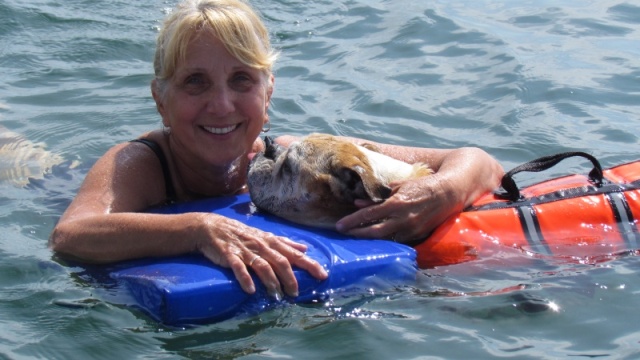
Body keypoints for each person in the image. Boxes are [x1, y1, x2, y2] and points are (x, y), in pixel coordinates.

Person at [49, 0, 504, 299]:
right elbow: (70, 236)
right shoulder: (141, 165)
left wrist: (441, 192)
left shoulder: (293, 157)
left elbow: (481, 163)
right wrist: (197, 228)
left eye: (242, 80)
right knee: (32, 166)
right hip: (59, 186)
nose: (222, 104)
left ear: (268, 97)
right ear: (160, 101)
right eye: (195, 81)